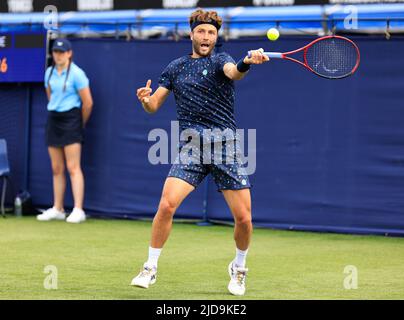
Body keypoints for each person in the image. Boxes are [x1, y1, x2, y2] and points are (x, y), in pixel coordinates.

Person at [131, 9, 269, 295]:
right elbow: (154, 105)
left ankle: (239, 268)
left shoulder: (222, 59)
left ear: (216, 37)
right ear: (191, 33)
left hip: (224, 147)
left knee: (244, 218)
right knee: (167, 205)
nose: (206, 37)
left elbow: (235, 72)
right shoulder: (176, 67)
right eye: (202, 31)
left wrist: (246, 61)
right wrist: (145, 100)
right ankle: (150, 267)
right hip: (191, 147)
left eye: (211, 33)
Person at [36, 38, 93, 223]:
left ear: (69, 53)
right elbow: (50, 96)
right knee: (56, 168)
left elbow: (88, 103)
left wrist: (79, 123)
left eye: (62, 52)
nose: (58, 55)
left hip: (72, 120)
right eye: (55, 52)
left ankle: (78, 209)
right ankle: (58, 208)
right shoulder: (49, 72)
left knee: (73, 167)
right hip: (53, 119)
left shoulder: (77, 74)